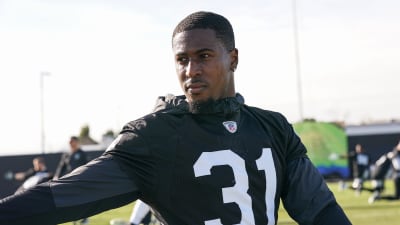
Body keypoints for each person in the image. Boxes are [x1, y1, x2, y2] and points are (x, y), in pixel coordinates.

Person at [0, 11, 352, 225]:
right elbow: (64, 196)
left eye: (203, 56)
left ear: (233, 58)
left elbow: (319, 211)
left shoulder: (272, 128)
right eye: (182, 60)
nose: (191, 70)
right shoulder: (156, 136)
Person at [54, 136, 89, 225]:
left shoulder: (82, 154)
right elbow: (61, 167)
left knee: (83, 199)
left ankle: (85, 218)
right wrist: (56, 177)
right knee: (72, 200)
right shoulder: (67, 155)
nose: (70, 144)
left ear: (76, 142)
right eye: (69, 142)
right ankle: (74, 219)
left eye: (72, 142)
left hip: (81, 180)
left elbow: (87, 166)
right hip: (70, 181)